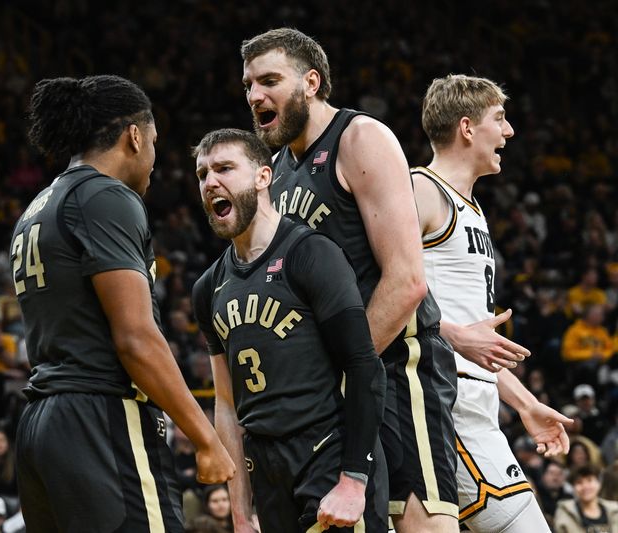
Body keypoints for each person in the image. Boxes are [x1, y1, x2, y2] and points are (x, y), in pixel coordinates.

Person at [241, 28, 461, 532]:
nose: (256, 96)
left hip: (395, 373)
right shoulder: (274, 171)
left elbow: (406, 280)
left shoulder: (360, 138)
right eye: (249, 85)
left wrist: (341, 377)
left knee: (420, 525)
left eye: (270, 80)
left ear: (311, 82)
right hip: (340, 389)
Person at [13, 75, 234, 533]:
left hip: (42, 421)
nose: (155, 158)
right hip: (99, 417)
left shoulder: (38, 206)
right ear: (135, 136)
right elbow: (135, 338)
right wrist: (204, 436)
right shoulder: (106, 196)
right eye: (154, 141)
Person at [192, 129, 386, 531]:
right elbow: (227, 407)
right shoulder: (207, 288)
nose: (211, 182)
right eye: (202, 174)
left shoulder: (311, 253)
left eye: (225, 168)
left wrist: (353, 480)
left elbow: (364, 365)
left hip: (327, 454)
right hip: (266, 467)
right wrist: (241, 513)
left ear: (264, 177)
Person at [412, 74, 573, 531]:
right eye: (499, 119)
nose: (509, 132)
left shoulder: (472, 207)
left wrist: (524, 405)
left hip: (473, 400)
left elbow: (473, 336)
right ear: (467, 127)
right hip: (442, 400)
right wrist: (454, 336)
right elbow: (373, 289)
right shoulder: (420, 191)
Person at [554, 465, 618, 532]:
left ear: (599, 483)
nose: (585, 487)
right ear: (573, 487)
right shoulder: (565, 512)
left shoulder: (614, 510)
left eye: (589, 480)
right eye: (579, 482)